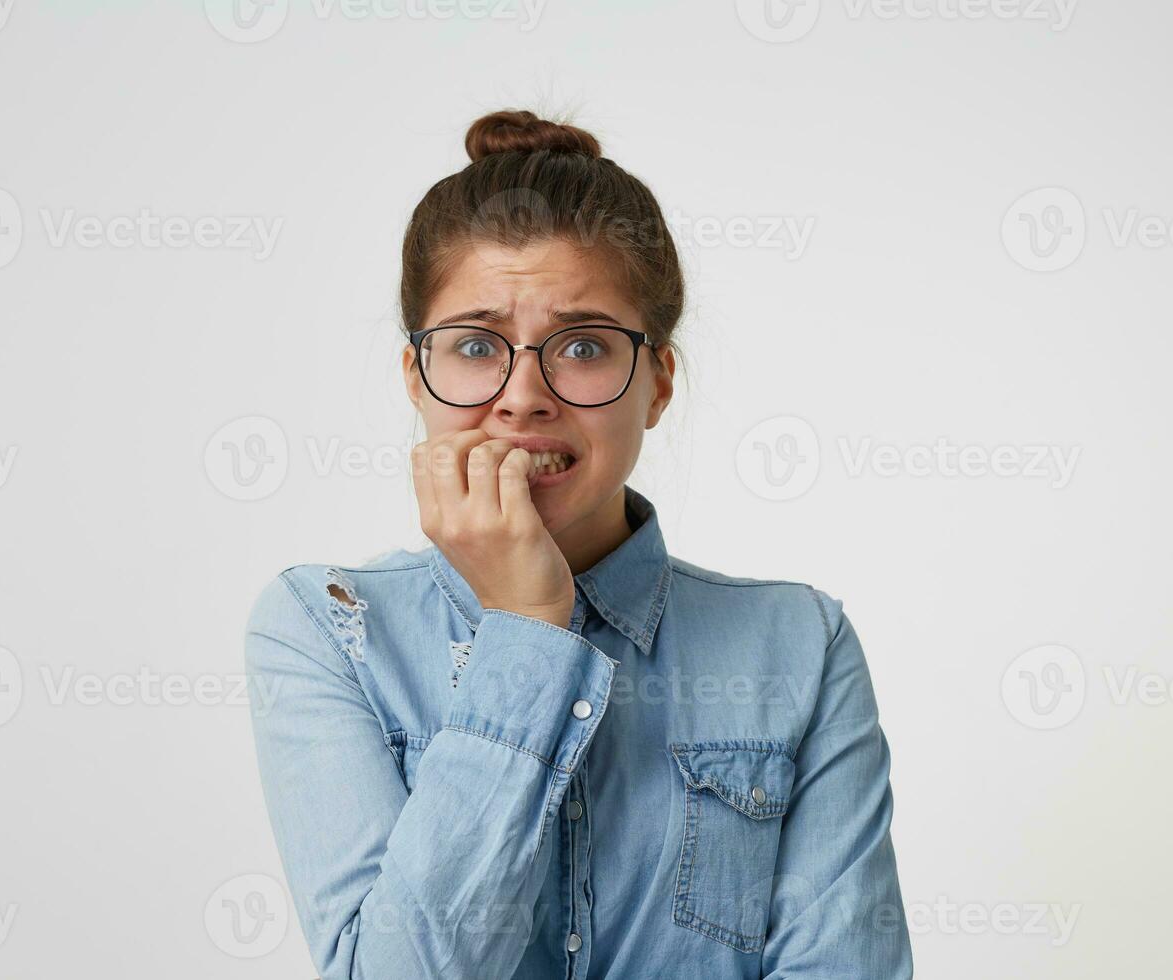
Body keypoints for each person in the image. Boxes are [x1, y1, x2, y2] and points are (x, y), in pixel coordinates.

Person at [244, 109, 913, 979]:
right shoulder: (327, 629)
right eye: (477, 345)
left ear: (659, 382)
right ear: (416, 376)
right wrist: (525, 627)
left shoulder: (799, 644)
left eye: (586, 345)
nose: (523, 396)